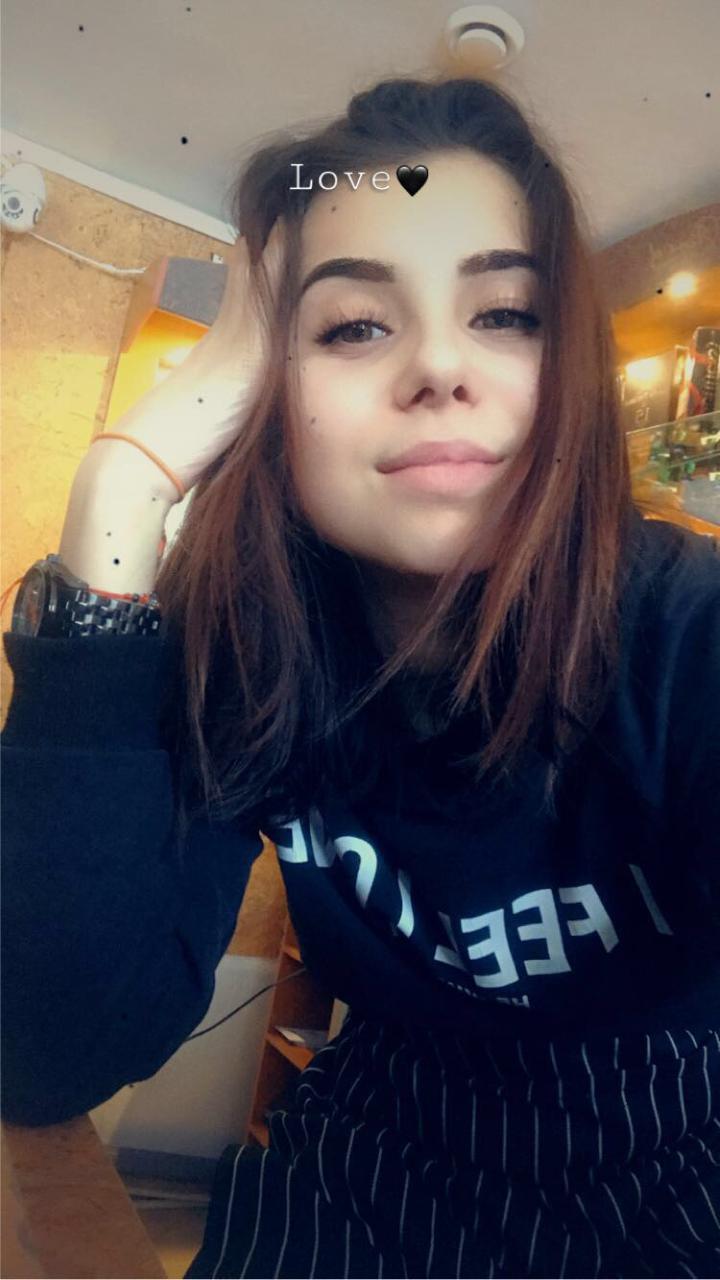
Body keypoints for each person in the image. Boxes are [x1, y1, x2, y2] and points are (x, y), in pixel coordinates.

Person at [2, 73, 719, 1280]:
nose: (440, 365)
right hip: (373, 1161)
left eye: (507, 312)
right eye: (352, 325)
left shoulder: (686, 627)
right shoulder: (250, 655)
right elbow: (45, 1057)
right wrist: (122, 480)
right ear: (262, 387)